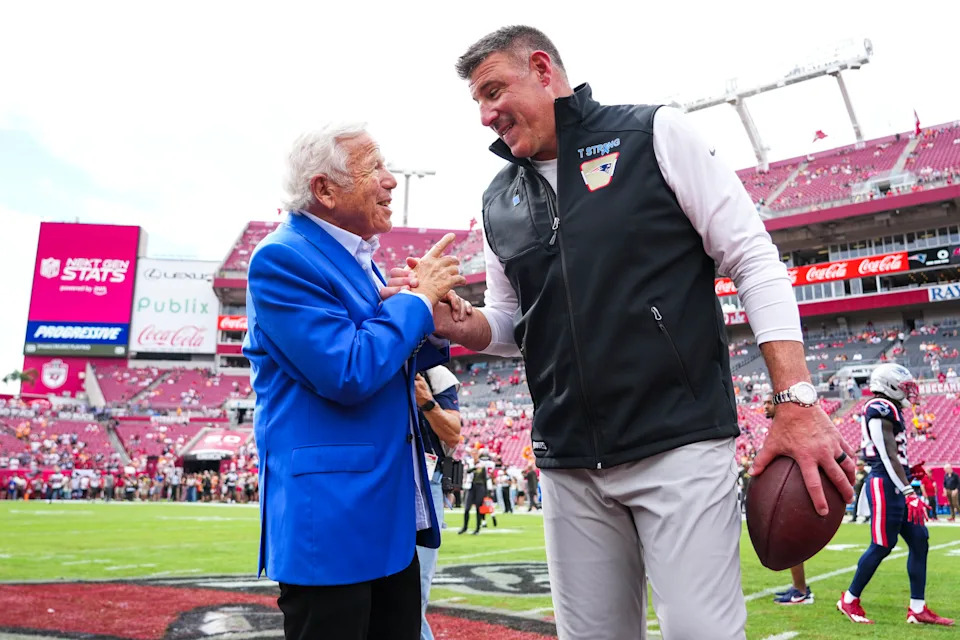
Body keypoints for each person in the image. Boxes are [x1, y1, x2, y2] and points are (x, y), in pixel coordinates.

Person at [396, 25, 854, 639]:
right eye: (477, 102)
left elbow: (752, 258)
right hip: (568, 461)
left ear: (542, 68)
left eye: (493, 91)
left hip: (678, 444)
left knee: (702, 634)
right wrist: (457, 321)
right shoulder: (498, 196)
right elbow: (510, 324)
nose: (485, 116)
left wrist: (796, 400)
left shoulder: (652, 134)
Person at [243, 124, 467, 640]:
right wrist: (413, 303)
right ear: (324, 189)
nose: (390, 181)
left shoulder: (349, 258)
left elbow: (374, 346)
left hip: (383, 518)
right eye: (375, 170)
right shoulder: (282, 258)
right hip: (332, 523)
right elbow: (348, 370)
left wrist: (422, 310)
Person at [837, 364, 953, 626]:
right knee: (882, 544)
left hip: (897, 483)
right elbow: (886, 454)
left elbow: (895, 455)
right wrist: (908, 489)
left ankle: (917, 608)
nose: (909, 393)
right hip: (885, 484)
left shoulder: (893, 409)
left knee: (920, 540)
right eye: (904, 388)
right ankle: (850, 599)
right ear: (889, 385)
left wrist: (911, 473)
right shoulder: (879, 407)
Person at [414, 365, 462, 640]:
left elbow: (453, 433)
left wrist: (426, 401)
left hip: (426, 477)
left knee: (416, 589)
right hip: (383, 478)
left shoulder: (435, 374)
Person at [763, 393, 813, 606]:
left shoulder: (790, 429)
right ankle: (799, 587)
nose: (764, 406)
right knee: (789, 542)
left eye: (768, 402)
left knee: (792, 542)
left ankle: (801, 592)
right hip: (788, 490)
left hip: (793, 491)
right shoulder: (779, 427)